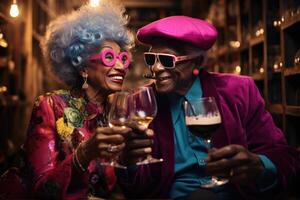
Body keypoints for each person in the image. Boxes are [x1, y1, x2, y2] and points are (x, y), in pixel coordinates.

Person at [117, 16, 300, 199]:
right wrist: (128, 162)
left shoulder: (239, 91)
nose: (155, 68)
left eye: (166, 60)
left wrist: (259, 164)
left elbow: (284, 156)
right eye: (151, 59)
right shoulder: (142, 103)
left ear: (196, 62)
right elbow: (137, 188)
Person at [0, 1, 153, 199]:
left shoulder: (117, 116)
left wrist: (131, 161)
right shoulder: (51, 106)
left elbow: (126, 189)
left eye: (123, 58)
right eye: (109, 57)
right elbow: (40, 191)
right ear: (82, 67)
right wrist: (83, 154)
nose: (121, 66)